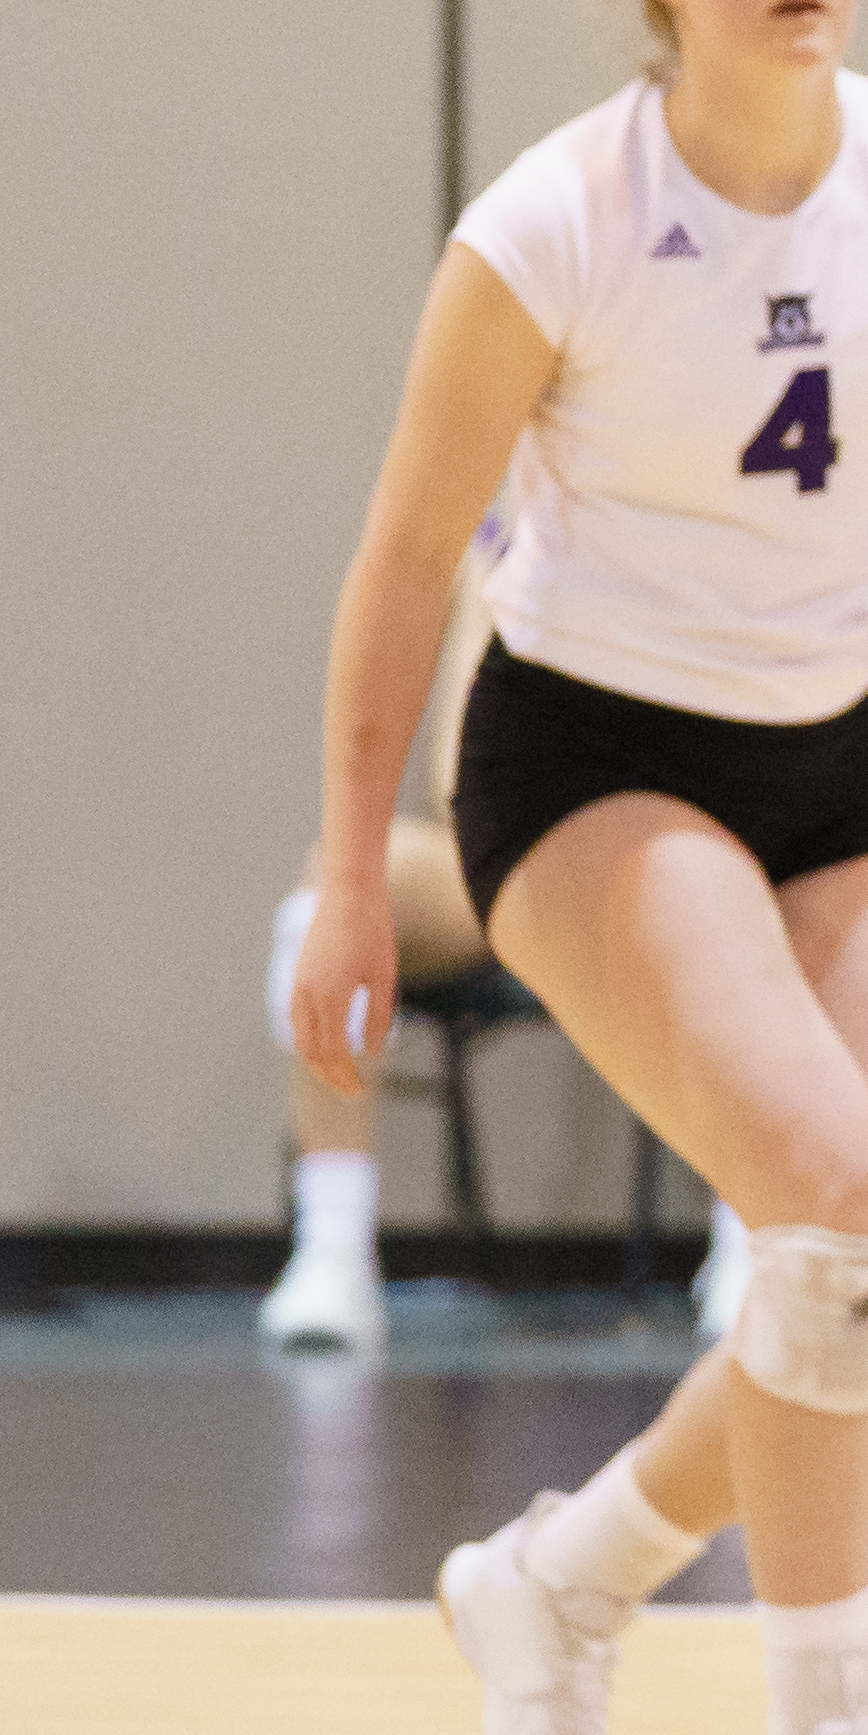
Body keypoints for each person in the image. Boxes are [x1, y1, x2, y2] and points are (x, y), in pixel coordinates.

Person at [285, 0, 868, 1735]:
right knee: (825, 1214)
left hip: (822, 763)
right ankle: (829, 1722)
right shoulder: (555, 220)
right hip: (588, 757)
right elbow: (407, 549)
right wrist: (343, 868)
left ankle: (562, 1574)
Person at [255, 540, 499, 1357]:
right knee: (334, 888)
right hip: (492, 857)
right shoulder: (496, 527)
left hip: (647, 858)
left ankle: (756, 1249)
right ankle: (332, 1246)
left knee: (771, 888)